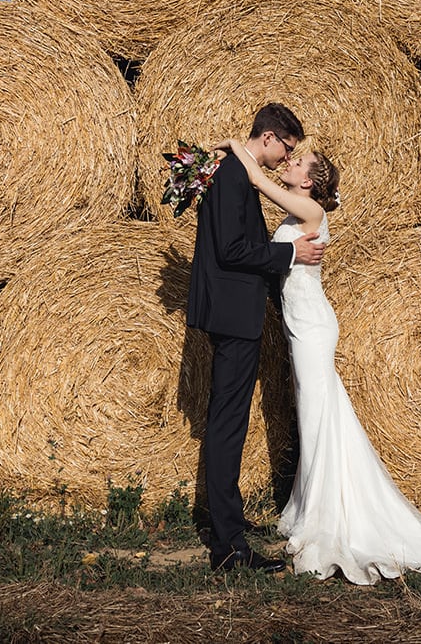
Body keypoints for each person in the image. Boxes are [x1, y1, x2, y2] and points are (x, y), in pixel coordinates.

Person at [217, 137, 421, 584]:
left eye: (297, 161)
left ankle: (328, 519)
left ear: (307, 181)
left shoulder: (312, 213)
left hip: (313, 331)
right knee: (317, 419)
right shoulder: (297, 213)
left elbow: (255, 178)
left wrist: (235, 145)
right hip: (301, 328)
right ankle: (313, 508)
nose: (288, 163)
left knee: (317, 417)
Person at [187, 102, 326, 572]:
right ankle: (229, 548)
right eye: (286, 147)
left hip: (234, 314)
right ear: (268, 138)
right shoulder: (231, 177)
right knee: (228, 426)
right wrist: (287, 256)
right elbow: (232, 249)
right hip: (233, 317)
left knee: (229, 422)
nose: (288, 158)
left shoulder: (235, 173)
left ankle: (228, 527)